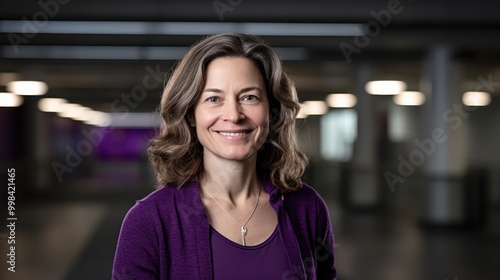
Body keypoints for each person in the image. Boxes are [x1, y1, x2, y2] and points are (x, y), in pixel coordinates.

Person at [112, 33, 337, 280]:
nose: (233, 114)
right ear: (190, 114)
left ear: (271, 111)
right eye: (214, 99)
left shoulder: (307, 208)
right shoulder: (149, 221)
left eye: (249, 97)